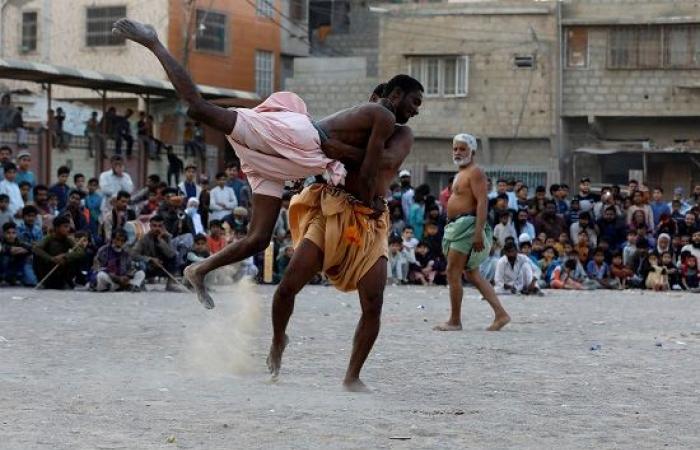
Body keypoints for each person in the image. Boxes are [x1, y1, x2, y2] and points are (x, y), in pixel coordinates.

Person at [114, 19, 420, 301]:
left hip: (282, 162)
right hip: (293, 138)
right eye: (414, 102)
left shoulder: (373, 125)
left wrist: (346, 159)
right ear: (393, 95)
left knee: (259, 238)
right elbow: (366, 170)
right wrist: (369, 202)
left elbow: (359, 160)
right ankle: (154, 41)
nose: (416, 110)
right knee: (198, 108)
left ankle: (198, 270)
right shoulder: (382, 114)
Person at [264, 82, 420, 391]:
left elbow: (384, 163)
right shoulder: (358, 125)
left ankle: (352, 375)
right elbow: (317, 150)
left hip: (371, 222)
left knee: (373, 302)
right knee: (287, 285)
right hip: (332, 209)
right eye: (414, 102)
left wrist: (342, 152)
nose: (416, 110)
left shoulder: (402, 134)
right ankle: (278, 338)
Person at [433, 133, 510, 332]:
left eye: (462, 149)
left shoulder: (475, 172)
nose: (458, 152)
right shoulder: (461, 173)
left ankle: (455, 321)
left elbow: (482, 202)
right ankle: (501, 314)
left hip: (467, 228)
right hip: (457, 227)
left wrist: (477, 233)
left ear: (472, 151)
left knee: (452, 271)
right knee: (472, 273)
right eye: (455, 148)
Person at [32, 216, 88, 289]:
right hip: (48, 268)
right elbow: (36, 249)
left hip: (61, 268)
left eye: (68, 227)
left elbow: (80, 252)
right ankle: (42, 281)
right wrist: (51, 259)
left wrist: (65, 256)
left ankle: (68, 281)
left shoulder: (68, 239)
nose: (68, 229)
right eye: (65, 227)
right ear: (57, 228)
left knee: (78, 258)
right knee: (37, 256)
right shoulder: (49, 238)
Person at [130, 215, 182, 292]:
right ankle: (141, 283)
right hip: (149, 267)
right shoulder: (144, 238)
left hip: (163, 267)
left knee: (176, 256)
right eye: (154, 226)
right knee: (140, 264)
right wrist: (150, 259)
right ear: (150, 226)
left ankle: (170, 285)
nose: (157, 228)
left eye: (160, 226)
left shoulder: (167, 237)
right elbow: (133, 255)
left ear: (163, 227)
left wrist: (160, 240)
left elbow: (171, 254)